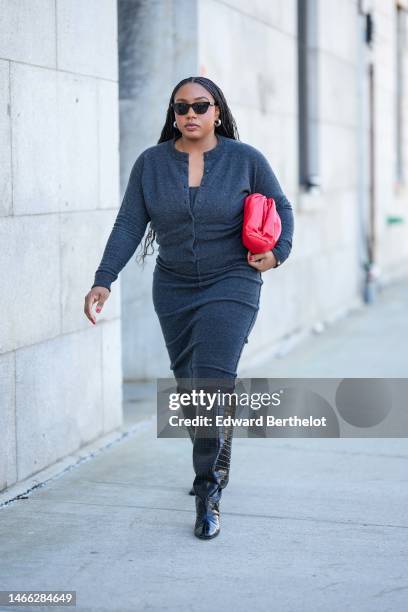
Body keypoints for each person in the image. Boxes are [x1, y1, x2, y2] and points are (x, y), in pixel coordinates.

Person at [84, 76, 294, 540]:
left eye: (201, 105)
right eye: (181, 108)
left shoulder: (245, 159)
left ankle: (207, 493)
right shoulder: (151, 164)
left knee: (210, 382)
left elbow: (281, 206)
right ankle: (218, 454)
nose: (191, 115)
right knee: (191, 388)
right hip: (175, 287)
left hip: (233, 281)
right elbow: (128, 224)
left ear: (217, 110)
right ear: (172, 114)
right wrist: (104, 279)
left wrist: (278, 253)